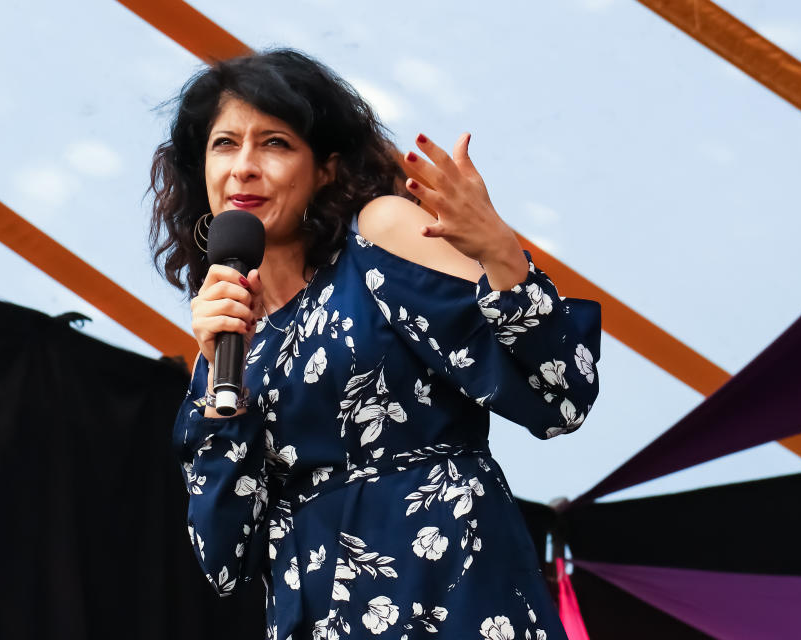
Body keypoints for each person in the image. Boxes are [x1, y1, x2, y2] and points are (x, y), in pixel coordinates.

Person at [149, 49, 600, 640]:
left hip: (448, 593)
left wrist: (502, 255)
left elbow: (561, 393)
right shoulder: (226, 343)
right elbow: (225, 560)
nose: (244, 168)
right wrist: (216, 379)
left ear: (327, 168)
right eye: (225, 144)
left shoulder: (379, 238)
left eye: (276, 143)